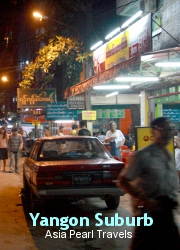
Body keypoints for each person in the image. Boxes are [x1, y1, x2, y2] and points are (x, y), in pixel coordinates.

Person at [117, 117, 180, 250]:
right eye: (165, 130)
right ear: (154, 131)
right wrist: (146, 200)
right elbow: (123, 181)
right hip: (148, 213)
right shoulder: (143, 156)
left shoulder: (168, 155)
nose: (169, 133)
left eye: (171, 130)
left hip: (167, 212)